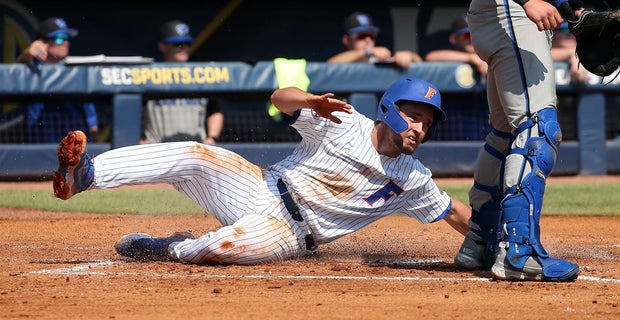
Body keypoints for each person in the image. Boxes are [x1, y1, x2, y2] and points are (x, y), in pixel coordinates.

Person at [51, 77, 471, 266]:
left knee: (226, 249)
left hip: (290, 235)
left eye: (427, 123)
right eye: (413, 115)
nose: (419, 127)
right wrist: (310, 100)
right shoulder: (343, 120)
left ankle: (170, 248)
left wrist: (499, 242)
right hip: (259, 188)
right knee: (198, 153)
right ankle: (86, 175)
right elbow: (279, 98)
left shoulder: (413, 177)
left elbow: (455, 213)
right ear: (388, 110)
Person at [453, 0, 583, 282]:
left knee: (506, 133)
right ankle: (518, 252)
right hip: (512, 13)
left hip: (502, 15)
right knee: (537, 129)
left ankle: (481, 240)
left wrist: (568, 7)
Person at [15, 17, 99, 143]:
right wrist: (27, 53)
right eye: (60, 38)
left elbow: (93, 124)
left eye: (67, 38)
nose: (65, 43)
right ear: (42, 42)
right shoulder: (32, 69)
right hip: (40, 146)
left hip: (74, 148)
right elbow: (14, 73)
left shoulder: (76, 72)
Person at [141, 20, 224, 145]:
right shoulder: (149, 76)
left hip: (193, 151)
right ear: (162, 46)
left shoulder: (201, 76)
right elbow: (131, 112)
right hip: (157, 151)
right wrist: (140, 139)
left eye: (187, 43)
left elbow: (215, 111)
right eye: (177, 44)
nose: (183, 47)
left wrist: (212, 137)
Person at [327, 12, 422, 69]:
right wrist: (367, 52)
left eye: (371, 35)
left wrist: (410, 55)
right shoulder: (342, 61)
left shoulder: (379, 60)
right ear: (346, 40)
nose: (368, 39)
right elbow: (329, 66)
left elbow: (422, 65)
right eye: (362, 35)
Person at [424, 15, 488, 78]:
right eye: (467, 35)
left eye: (475, 34)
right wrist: (472, 58)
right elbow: (430, 57)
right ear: (453, 38)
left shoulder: (489, 51)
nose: (471, 39)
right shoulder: (451, 53)